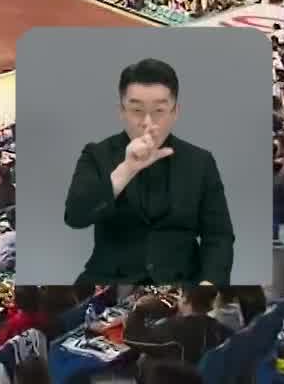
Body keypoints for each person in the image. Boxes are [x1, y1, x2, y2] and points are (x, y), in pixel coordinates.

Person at [61, 57, 235, 284]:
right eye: (136, 110)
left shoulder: (200, 161)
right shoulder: (96, 155)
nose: (148, 122)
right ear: (121, 111)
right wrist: (126, 169)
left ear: (175, 112)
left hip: (181, 284)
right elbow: (75, 216)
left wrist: (208, 286)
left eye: (159, 110)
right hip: (109, 282)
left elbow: (219, 235)